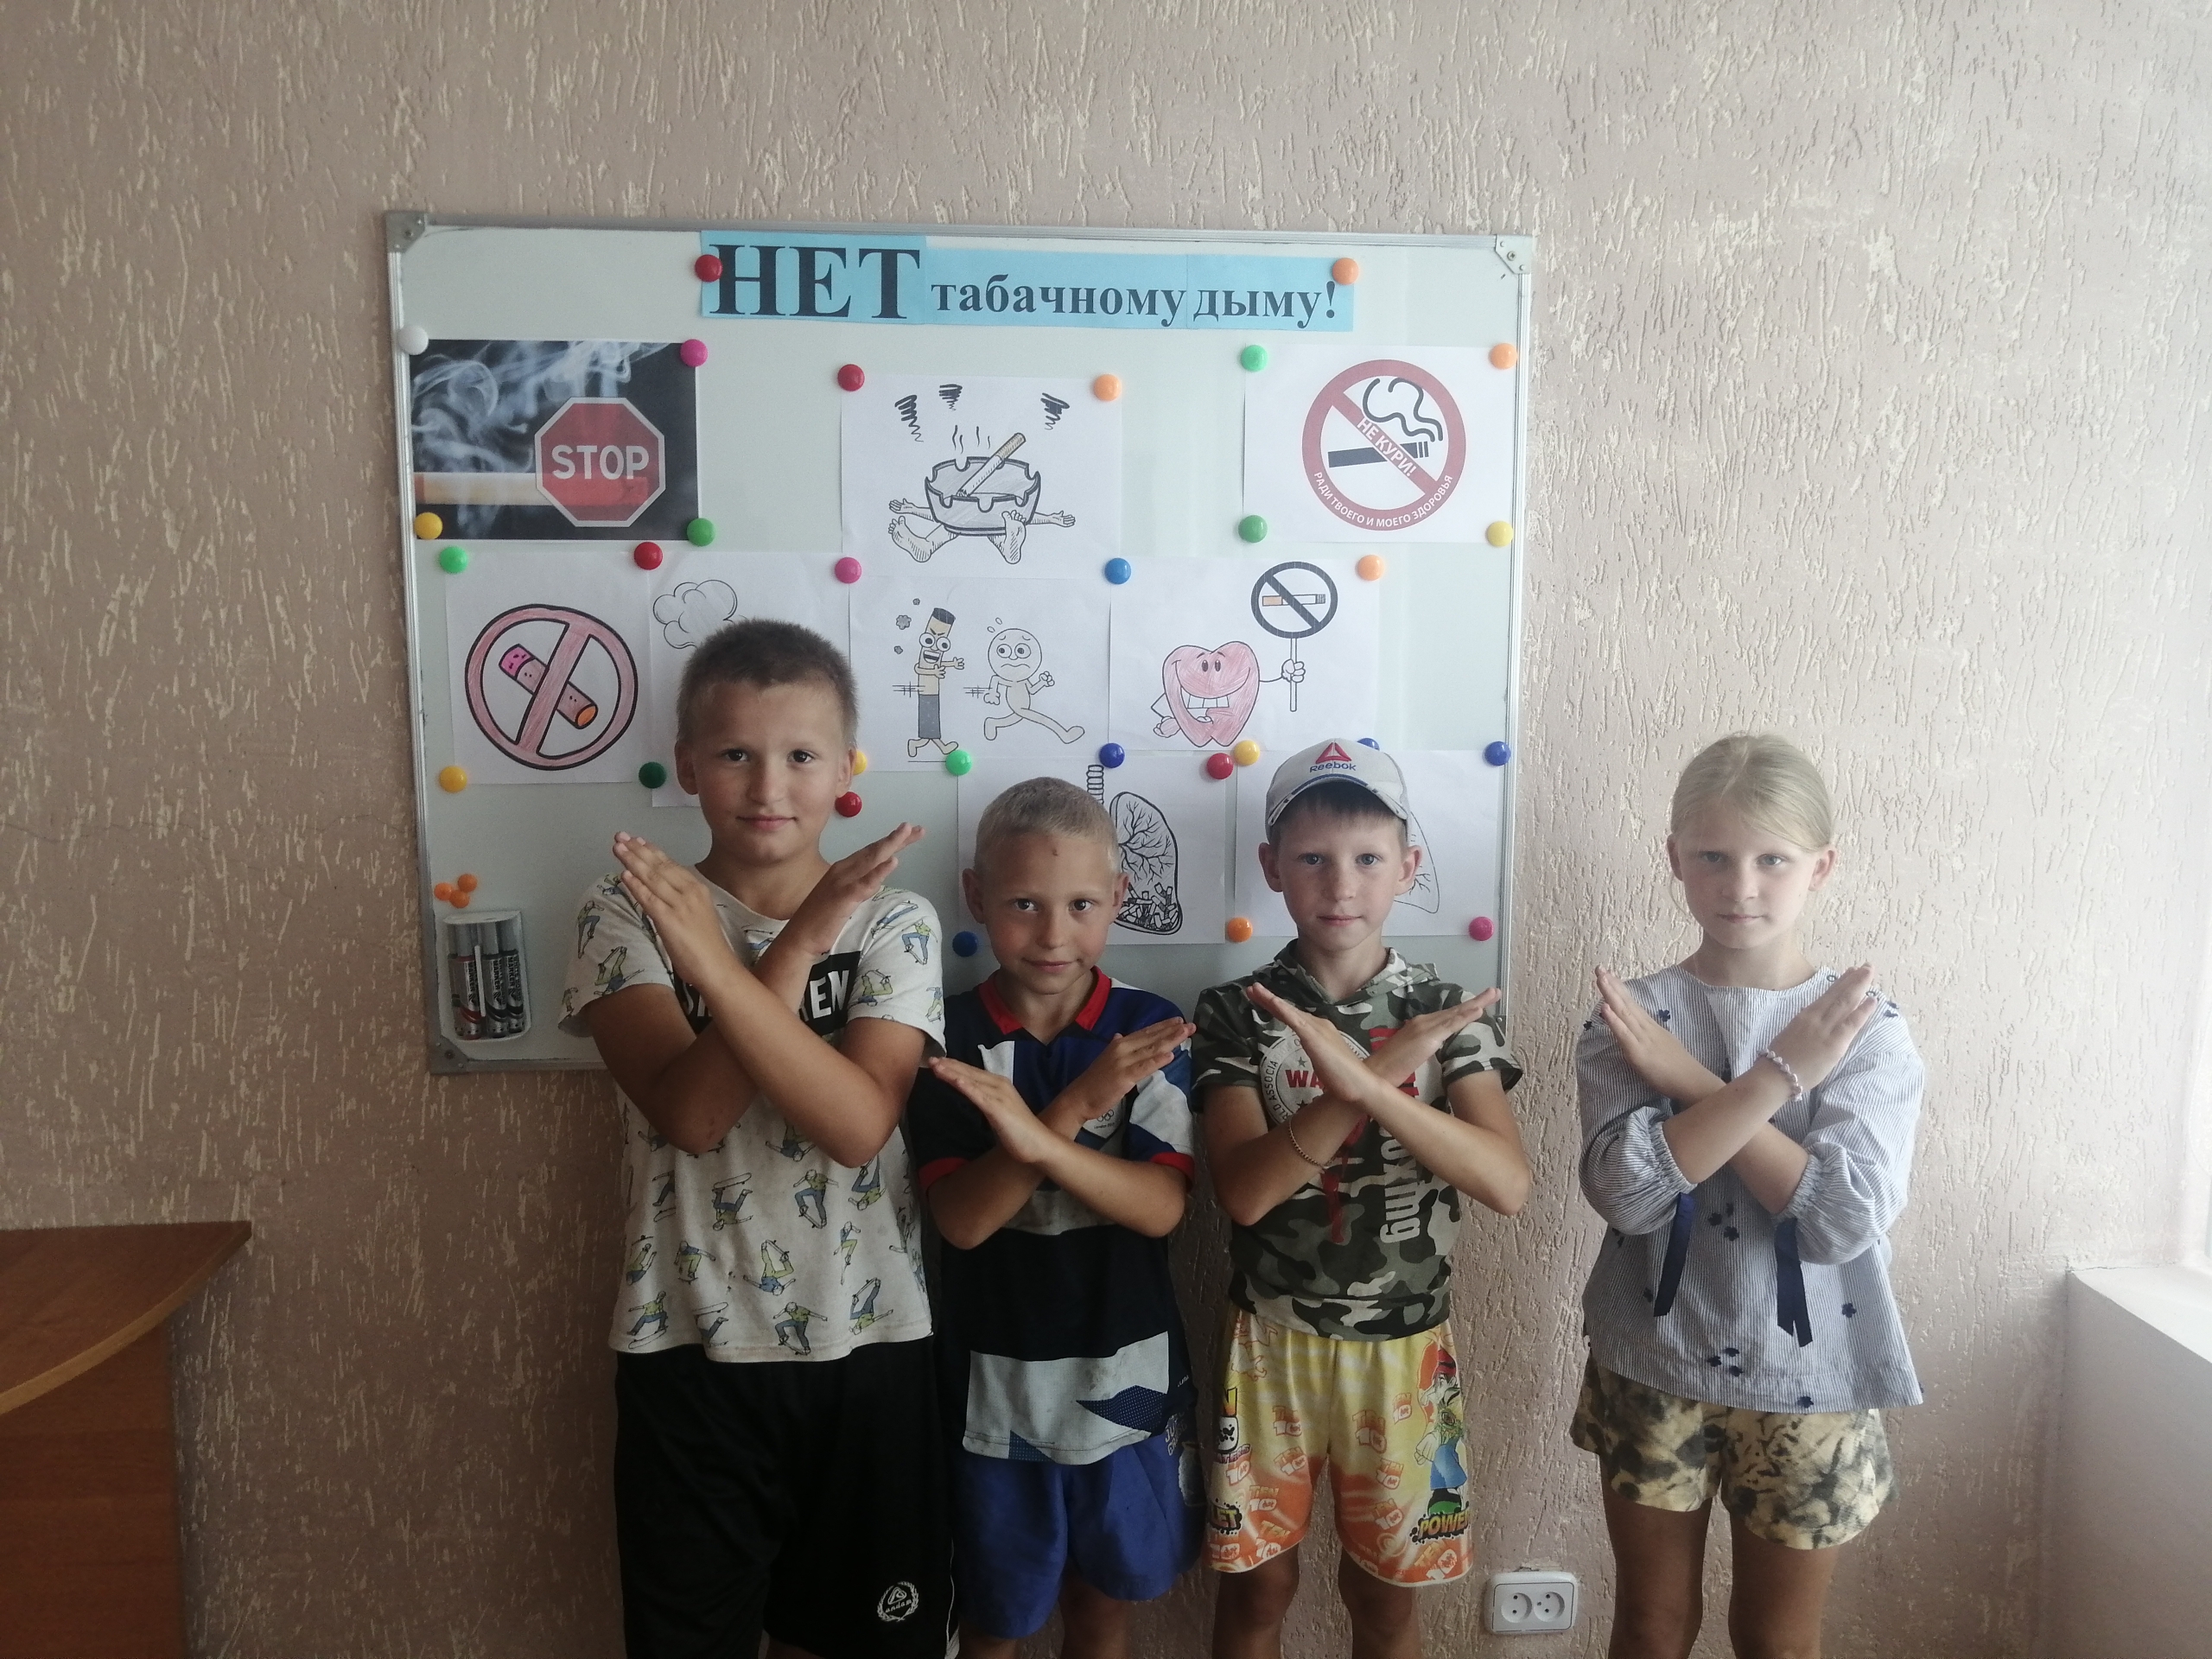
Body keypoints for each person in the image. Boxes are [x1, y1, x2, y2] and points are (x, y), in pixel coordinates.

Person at [560, 618, 953, 1659]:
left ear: (847, 770)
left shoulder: (894, 921)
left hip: (871, 1349)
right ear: (688, 764)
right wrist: (796, 944)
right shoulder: (626, 912)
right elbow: (690, 1117)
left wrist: (757, 955)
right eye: (735, 753)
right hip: (688, 1349)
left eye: (801, 755)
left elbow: (856, 1125)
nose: (768, 785)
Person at [1574, 733, 1923, 1659]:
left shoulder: (1863, 1029)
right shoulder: (1632, 1018)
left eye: (1773, 860)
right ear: (1674, 859)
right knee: (1649, 1626)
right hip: (1655, 1360)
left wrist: (1693, 1085)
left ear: (1821, 867)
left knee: (1778, 1640)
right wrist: (1775, 1080)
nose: (1741, 886)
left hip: (1813, 1379)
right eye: (1713, 858)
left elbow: (1843, 1220)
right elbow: (1628, 1195)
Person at [1195, 740, 1529, 1659]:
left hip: (1405, 1349)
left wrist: (1382, 1079)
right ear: (1272, 867)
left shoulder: (1446, 1011)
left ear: (1407, 868)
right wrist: (1374, 1078)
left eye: (1368, 858)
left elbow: (1505, 1183)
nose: (1340, 884)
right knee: (1257, 1588)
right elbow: (1245, 1194)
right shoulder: (1236, 1010)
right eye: (1312, 858)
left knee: (1384, 1599)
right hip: (1270, 1343)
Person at [908, 777, 1202, 1658]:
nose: (1051, 934)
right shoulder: (947, 1038)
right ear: (977, 898)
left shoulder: (1148, 1030)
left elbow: (1159, 1209)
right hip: (991, 1389)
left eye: (1080, 905)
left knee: (1101, 1610)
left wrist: (1035, 1140)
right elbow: (963, 1221)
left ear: (1118, 897)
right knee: (994, 1622)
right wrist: (1074, 1108)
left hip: (1124, 1377)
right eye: (1023, 904)